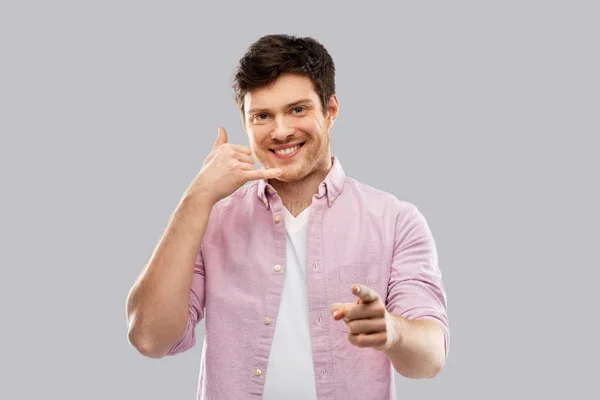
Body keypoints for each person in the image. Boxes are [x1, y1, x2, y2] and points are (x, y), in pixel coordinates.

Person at [126, 33, 449, 400]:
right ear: (245, 123)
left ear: (330, 111)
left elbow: (431, 358)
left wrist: (393, 331)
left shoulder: (396, 221)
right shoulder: (212, 218)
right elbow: (149, 338)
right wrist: (196, 197)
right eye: (262, 116)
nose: (280, 131)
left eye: (297, 109)